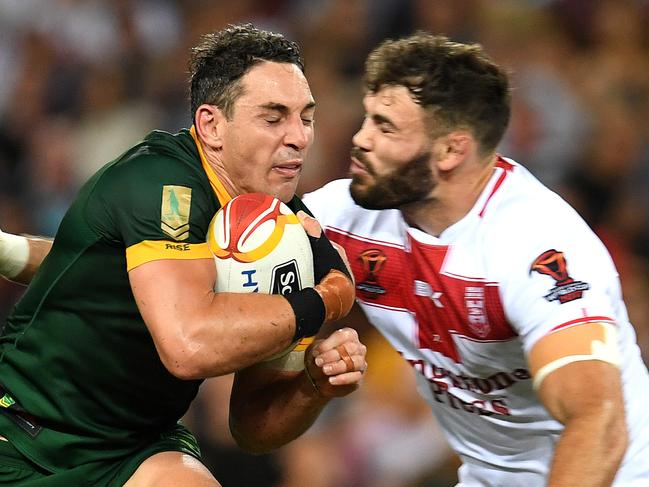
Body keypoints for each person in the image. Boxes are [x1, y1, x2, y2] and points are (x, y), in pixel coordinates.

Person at [0, 25, 367, 486]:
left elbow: (252, 427)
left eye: (306, 117)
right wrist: (323, 302)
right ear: (212, 125)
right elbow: (188, 347)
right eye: (273, 118)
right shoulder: (160, 184)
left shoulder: (282, 231)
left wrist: (313, 385)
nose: (299, 137)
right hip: (23, 435)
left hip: (136, 446)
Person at [300, 34, 649, 486]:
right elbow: (236, 241)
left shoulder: (538, 247)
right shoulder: (346, 215)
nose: (360, 138)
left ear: (451, 150)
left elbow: (597, 421)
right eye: (368, 117)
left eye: (385, 127)